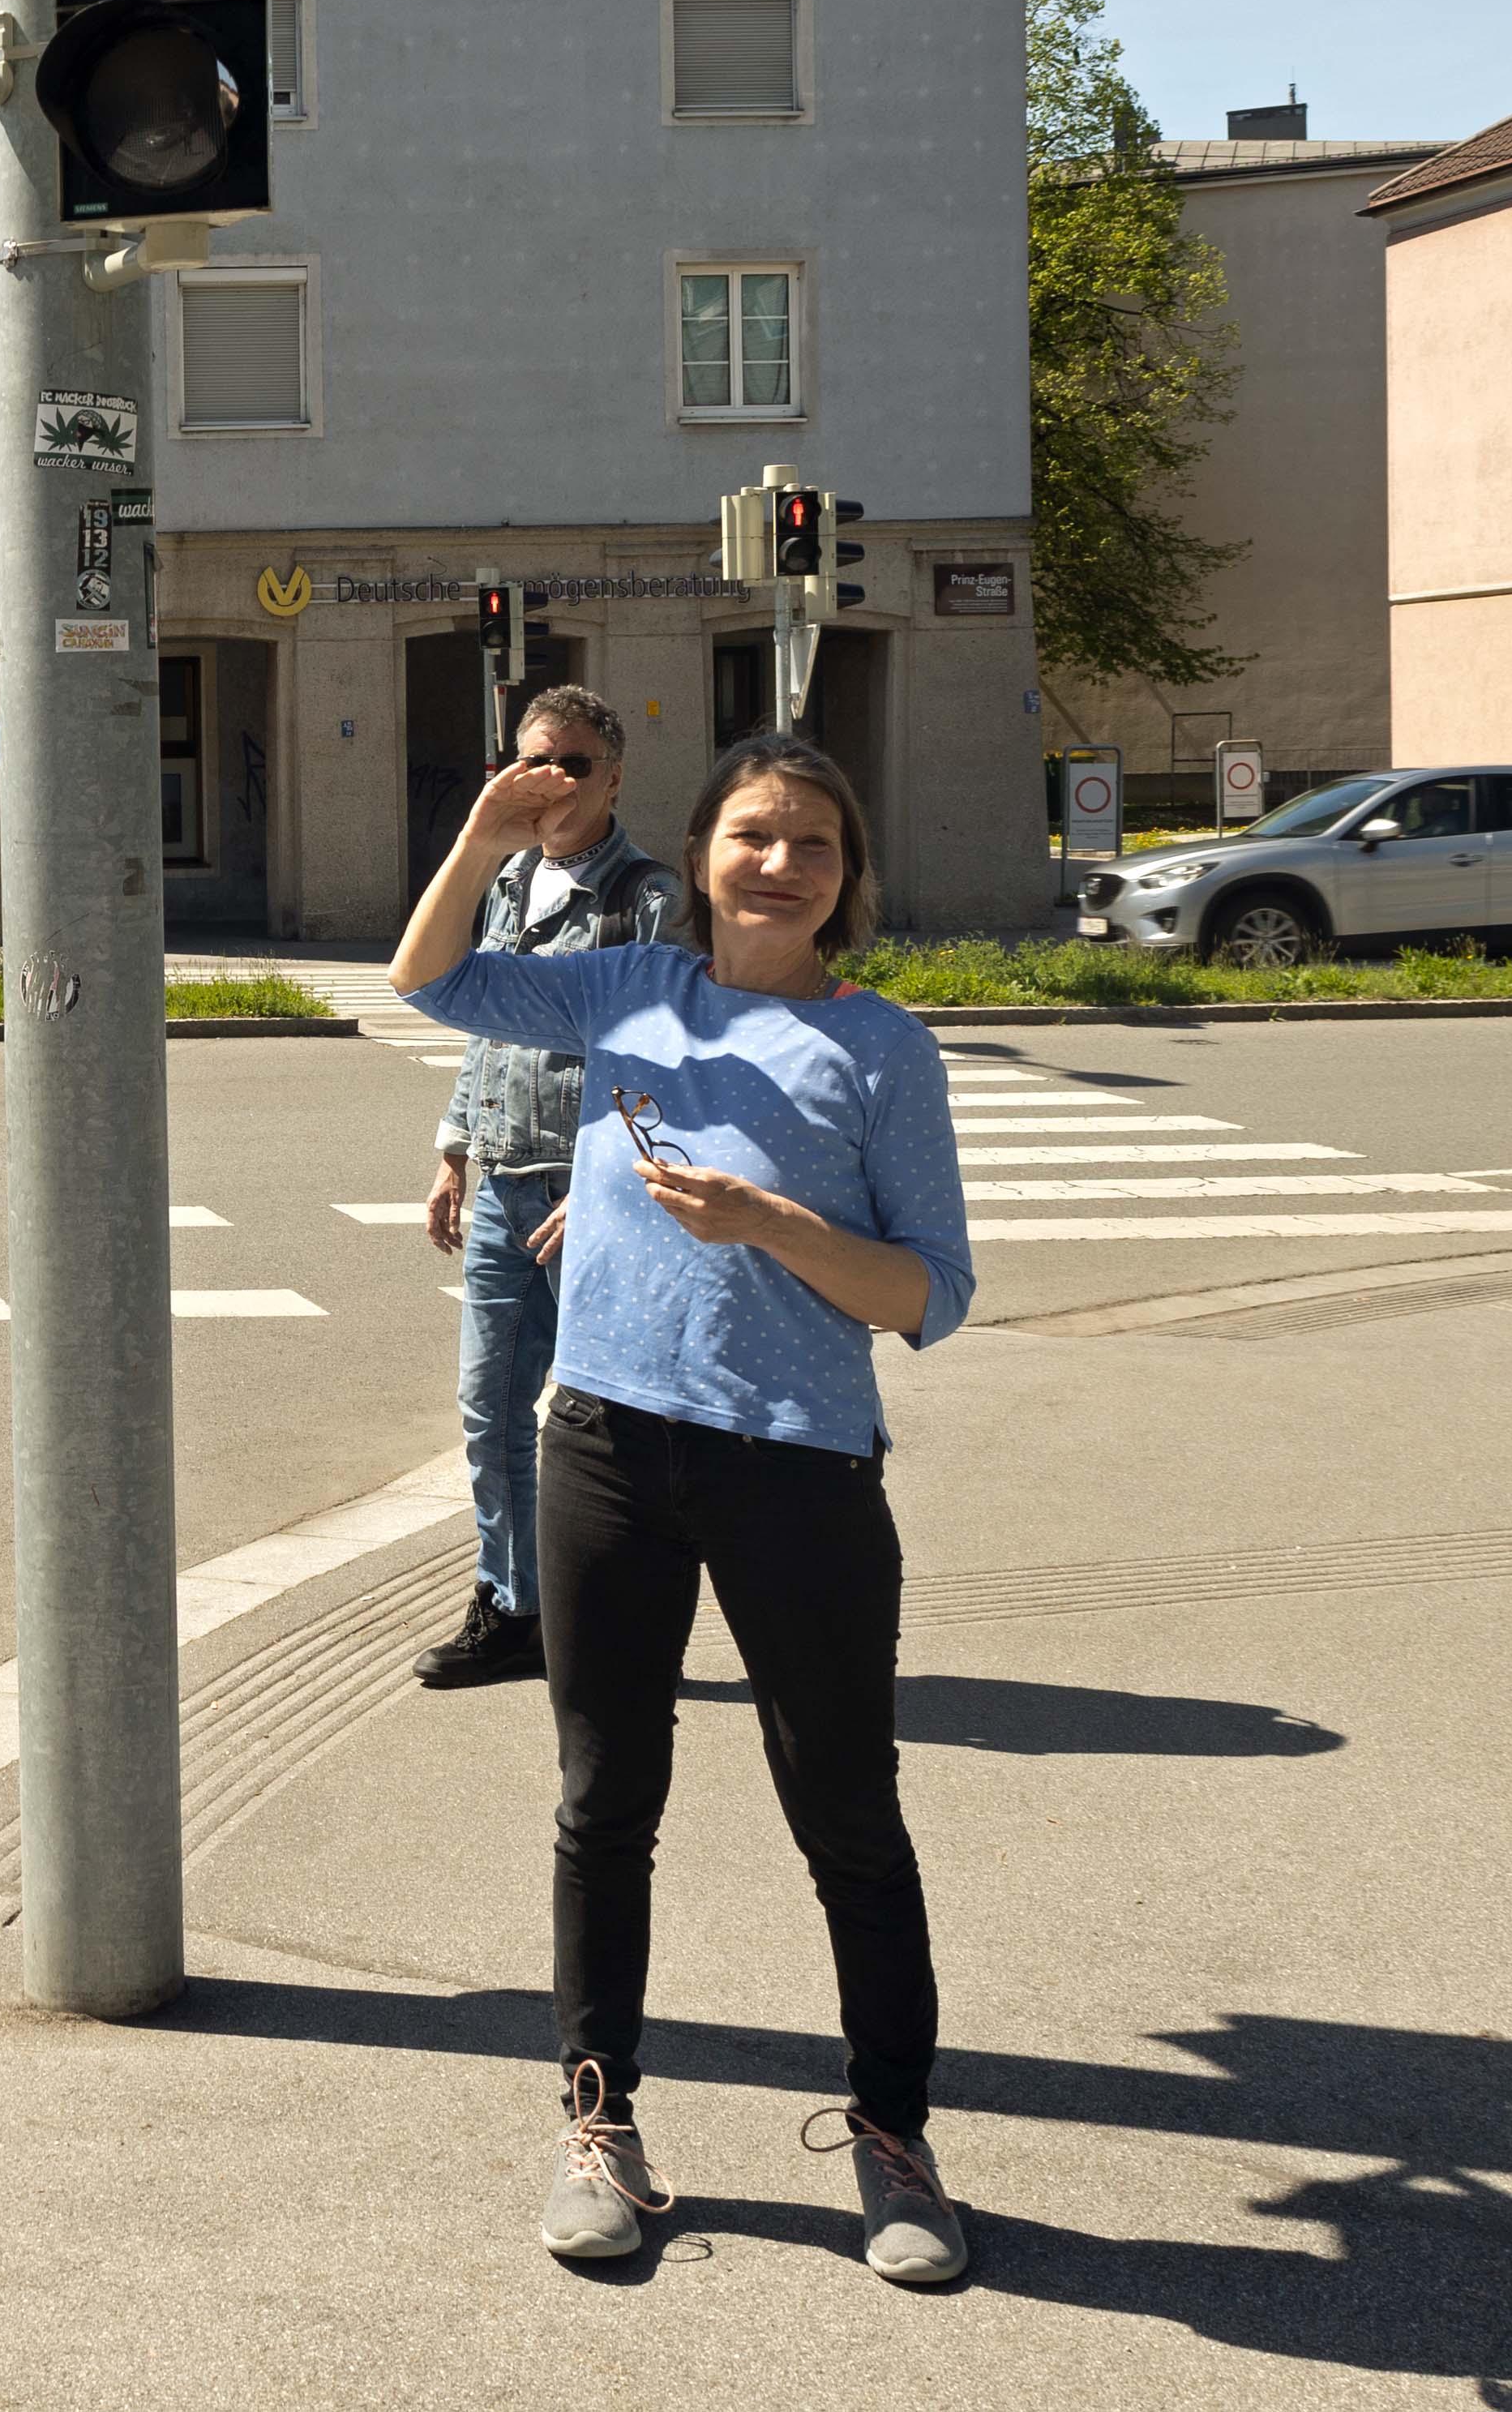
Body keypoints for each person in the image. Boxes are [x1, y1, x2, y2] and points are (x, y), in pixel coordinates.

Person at [388, 731, 981, 2289]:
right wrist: (480, 830)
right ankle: (600, 2126)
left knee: (847, 1811)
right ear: (703, 853)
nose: (779, 865)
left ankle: (893, 2139)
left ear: (846, 875)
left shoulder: (880, 1049)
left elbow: (930, 1292)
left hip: (796, 1463)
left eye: (811, 845)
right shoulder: (623, 990)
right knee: (603, 1802)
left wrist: (774, 1223)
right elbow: (427, 982)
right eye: (751, 836)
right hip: (602, 1447)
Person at [413, 683, 683, 1692]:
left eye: (573, 762)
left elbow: (662, 1056)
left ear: (614, 776)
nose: (552, 780)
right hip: (503, 1185)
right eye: (534, 760)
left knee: (608, 1426)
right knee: (489, 1411)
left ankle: (610, 1621)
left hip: (589, 1195)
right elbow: (483, 1014)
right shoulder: (505, 881)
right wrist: (453, 1149)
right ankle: (512, 1604)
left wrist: (613, 1180)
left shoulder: (647, 898)